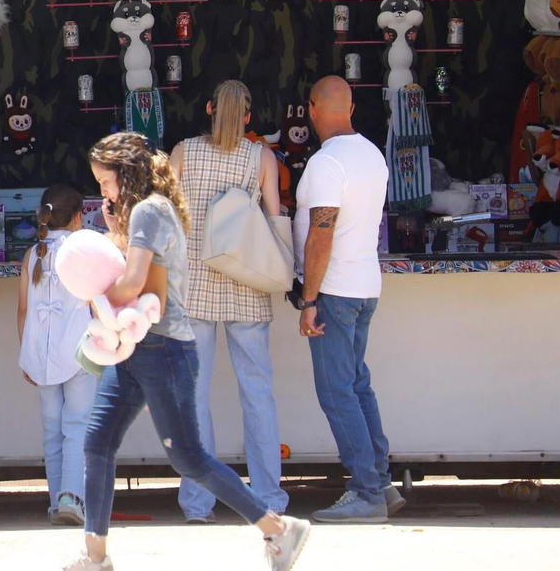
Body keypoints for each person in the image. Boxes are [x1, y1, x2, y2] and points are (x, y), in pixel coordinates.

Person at [68, 132, 310, 571]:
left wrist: (92, 298)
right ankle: (95, 557)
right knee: (97, 443)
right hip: (145, 347)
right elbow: (138, 274)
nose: (101, 191)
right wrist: (116, 232)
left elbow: (133, 284)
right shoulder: (149, 211)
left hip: (163, 349)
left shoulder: (148, 212)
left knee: (189, 457)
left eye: (104, 181)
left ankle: (278, 528)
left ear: (125, 174)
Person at [169, 81, 290, 524]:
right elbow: (275, 215)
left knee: (193, 398)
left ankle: (198, 504)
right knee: (257, 393)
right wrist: (287, 270)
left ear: (208, 108)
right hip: (247, 283)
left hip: (194, 285)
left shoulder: (183, 152)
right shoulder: (262, 157)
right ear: (248, 116)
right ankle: (270, 500)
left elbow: (166, 214)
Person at [296, 76, 403, 524]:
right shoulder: (372, 154)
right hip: (365, 285)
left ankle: (365, 493)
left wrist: (308, 300)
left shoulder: (326, 162)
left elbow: (322, 233)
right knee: (358, 385)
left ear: (312, 109)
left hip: (334, 289)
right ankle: (380, 481)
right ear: (352, 107)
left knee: (337, 392)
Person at [17, 184, 97, 526]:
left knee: (52, 430)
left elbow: (23, 310)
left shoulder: (32, 254)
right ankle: (72, 498)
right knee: (77, 425)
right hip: (79, 351)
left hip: (40, 354)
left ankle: (55, 502)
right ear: (79, 216)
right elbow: (97, 303)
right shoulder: (83, 250)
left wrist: (26, 353)